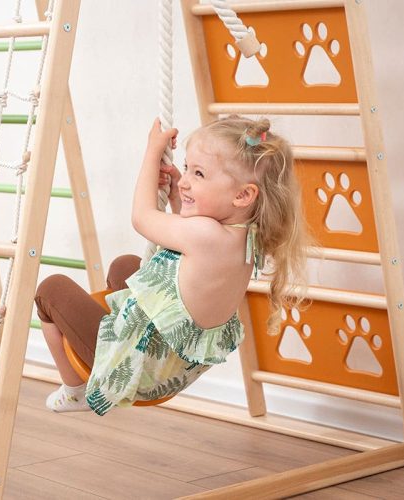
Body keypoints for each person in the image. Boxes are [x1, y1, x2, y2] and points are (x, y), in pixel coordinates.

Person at [35, 115, 308, 415]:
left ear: (243, 195)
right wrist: (180, 195)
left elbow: (142, 217)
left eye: (200, 174)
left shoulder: (205, 235)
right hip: (172, 369)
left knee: (50, 291)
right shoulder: (247, 238)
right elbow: (190, 261)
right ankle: (108, 335)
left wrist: (152, 153)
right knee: (124, 266)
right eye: (188, 169)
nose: (187, 179)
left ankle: (76, 390)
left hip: (136, 368)